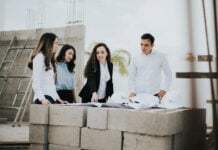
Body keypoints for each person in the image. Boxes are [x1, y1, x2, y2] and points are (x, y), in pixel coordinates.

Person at [128, 33, 172, 101]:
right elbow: (131, 77)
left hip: (155, 95)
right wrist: (132, 91)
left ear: (152, 45)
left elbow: (168, 74)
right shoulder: (135, 58)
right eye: (141, 44)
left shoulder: (160, 57)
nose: (143, 47)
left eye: (146, 45)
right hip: (138, 95)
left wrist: (164, 89)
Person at [28, 32, 67, 105]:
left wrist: (58, 99)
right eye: (55, 43)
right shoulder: (39, 57)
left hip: (51, 98)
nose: (57, 46)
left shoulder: (50, 61)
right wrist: (42, 99)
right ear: (49, 43)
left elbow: (51, 84)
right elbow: (36, 82)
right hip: (43, 98)